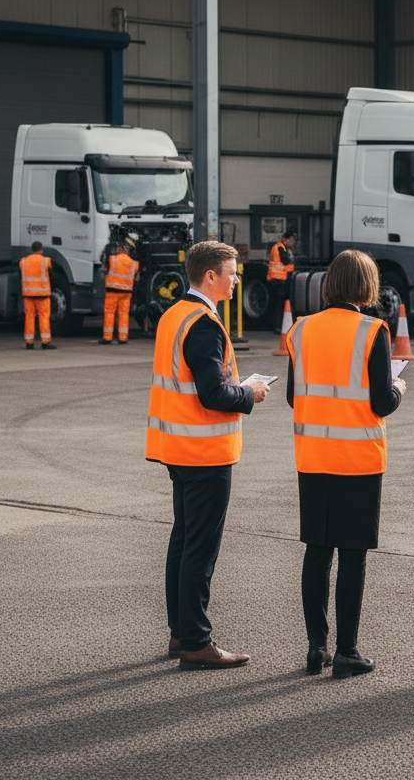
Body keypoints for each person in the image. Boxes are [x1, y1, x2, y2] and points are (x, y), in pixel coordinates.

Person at [145, 241, 270, 670]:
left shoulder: (174, 315)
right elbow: (213, 392)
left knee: (183, 541)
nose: (237, 280)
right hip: (204, 451)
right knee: (199, 548)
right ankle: (196, 641)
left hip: (178, 447)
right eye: (232, 273)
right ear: (211, 276)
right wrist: (250, 392)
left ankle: (181, 632)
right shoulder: (203, 323)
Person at [286, 249, 405, 679]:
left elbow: (291, 397)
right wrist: (398, 387)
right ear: (366, 287)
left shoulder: (299, 330)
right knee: (352, 556)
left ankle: (315, 648)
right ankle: (346, 650)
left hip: (313, 455)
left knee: (317, 552)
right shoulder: (374, 330)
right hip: (358, 458)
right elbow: (379, 402)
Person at [19, 240, 55, 350]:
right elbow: (52, 274)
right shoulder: (46, 261)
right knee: (44, 317)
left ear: (32, 249)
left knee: (29, 318)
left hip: (28, 294)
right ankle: (45, 342)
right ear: (41, 249)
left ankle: (29, 343)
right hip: (42, 294)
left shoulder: (23, 261)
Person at [100, 241, 138, 344]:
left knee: (110, 313)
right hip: (127, 292)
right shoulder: (134, 263)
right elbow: (136, 279)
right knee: (124, 314)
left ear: (119, 249)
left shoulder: (112, 259)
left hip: (112, 291)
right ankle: (123, 337)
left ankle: (107, 337)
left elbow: (105, 270)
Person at [267, 229, 297, 333]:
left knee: (282, 304)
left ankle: (280, 325)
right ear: (285, 239)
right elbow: (286, 262)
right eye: (292, 239)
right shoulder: (279, 247)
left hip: (283, 280)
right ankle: (276, 326)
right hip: (277, 280)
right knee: (278, 305)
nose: (293, 242)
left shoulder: (287, 250)